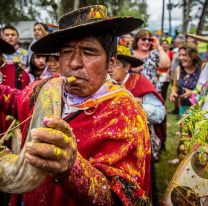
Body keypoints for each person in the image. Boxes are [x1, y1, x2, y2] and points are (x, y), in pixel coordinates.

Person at [0, 5, 152, 206]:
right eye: (67, 51)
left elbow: (127, 199)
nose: (73, 63)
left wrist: (72, 170)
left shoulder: (126, 115)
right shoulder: (47, 88)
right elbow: (17, 100)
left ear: (111, 62)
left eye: (88, 52)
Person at [170, 43, 203, 118]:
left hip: (200, 108)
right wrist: (174, 92)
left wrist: (192, 93)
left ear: (193, 55)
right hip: (184, 108)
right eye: (180, 55)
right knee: (184, 129)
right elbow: (175, 85)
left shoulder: (202, 69)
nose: (181, 58)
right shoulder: (178, 70)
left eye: (184, 55)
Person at [169, 34, 186, 115]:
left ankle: (180, 111)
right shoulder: (176, 50)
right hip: (174, 73)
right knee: (175, 91)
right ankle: (176, 109)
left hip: (180, 74)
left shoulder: (182, 50)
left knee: (180, 94)